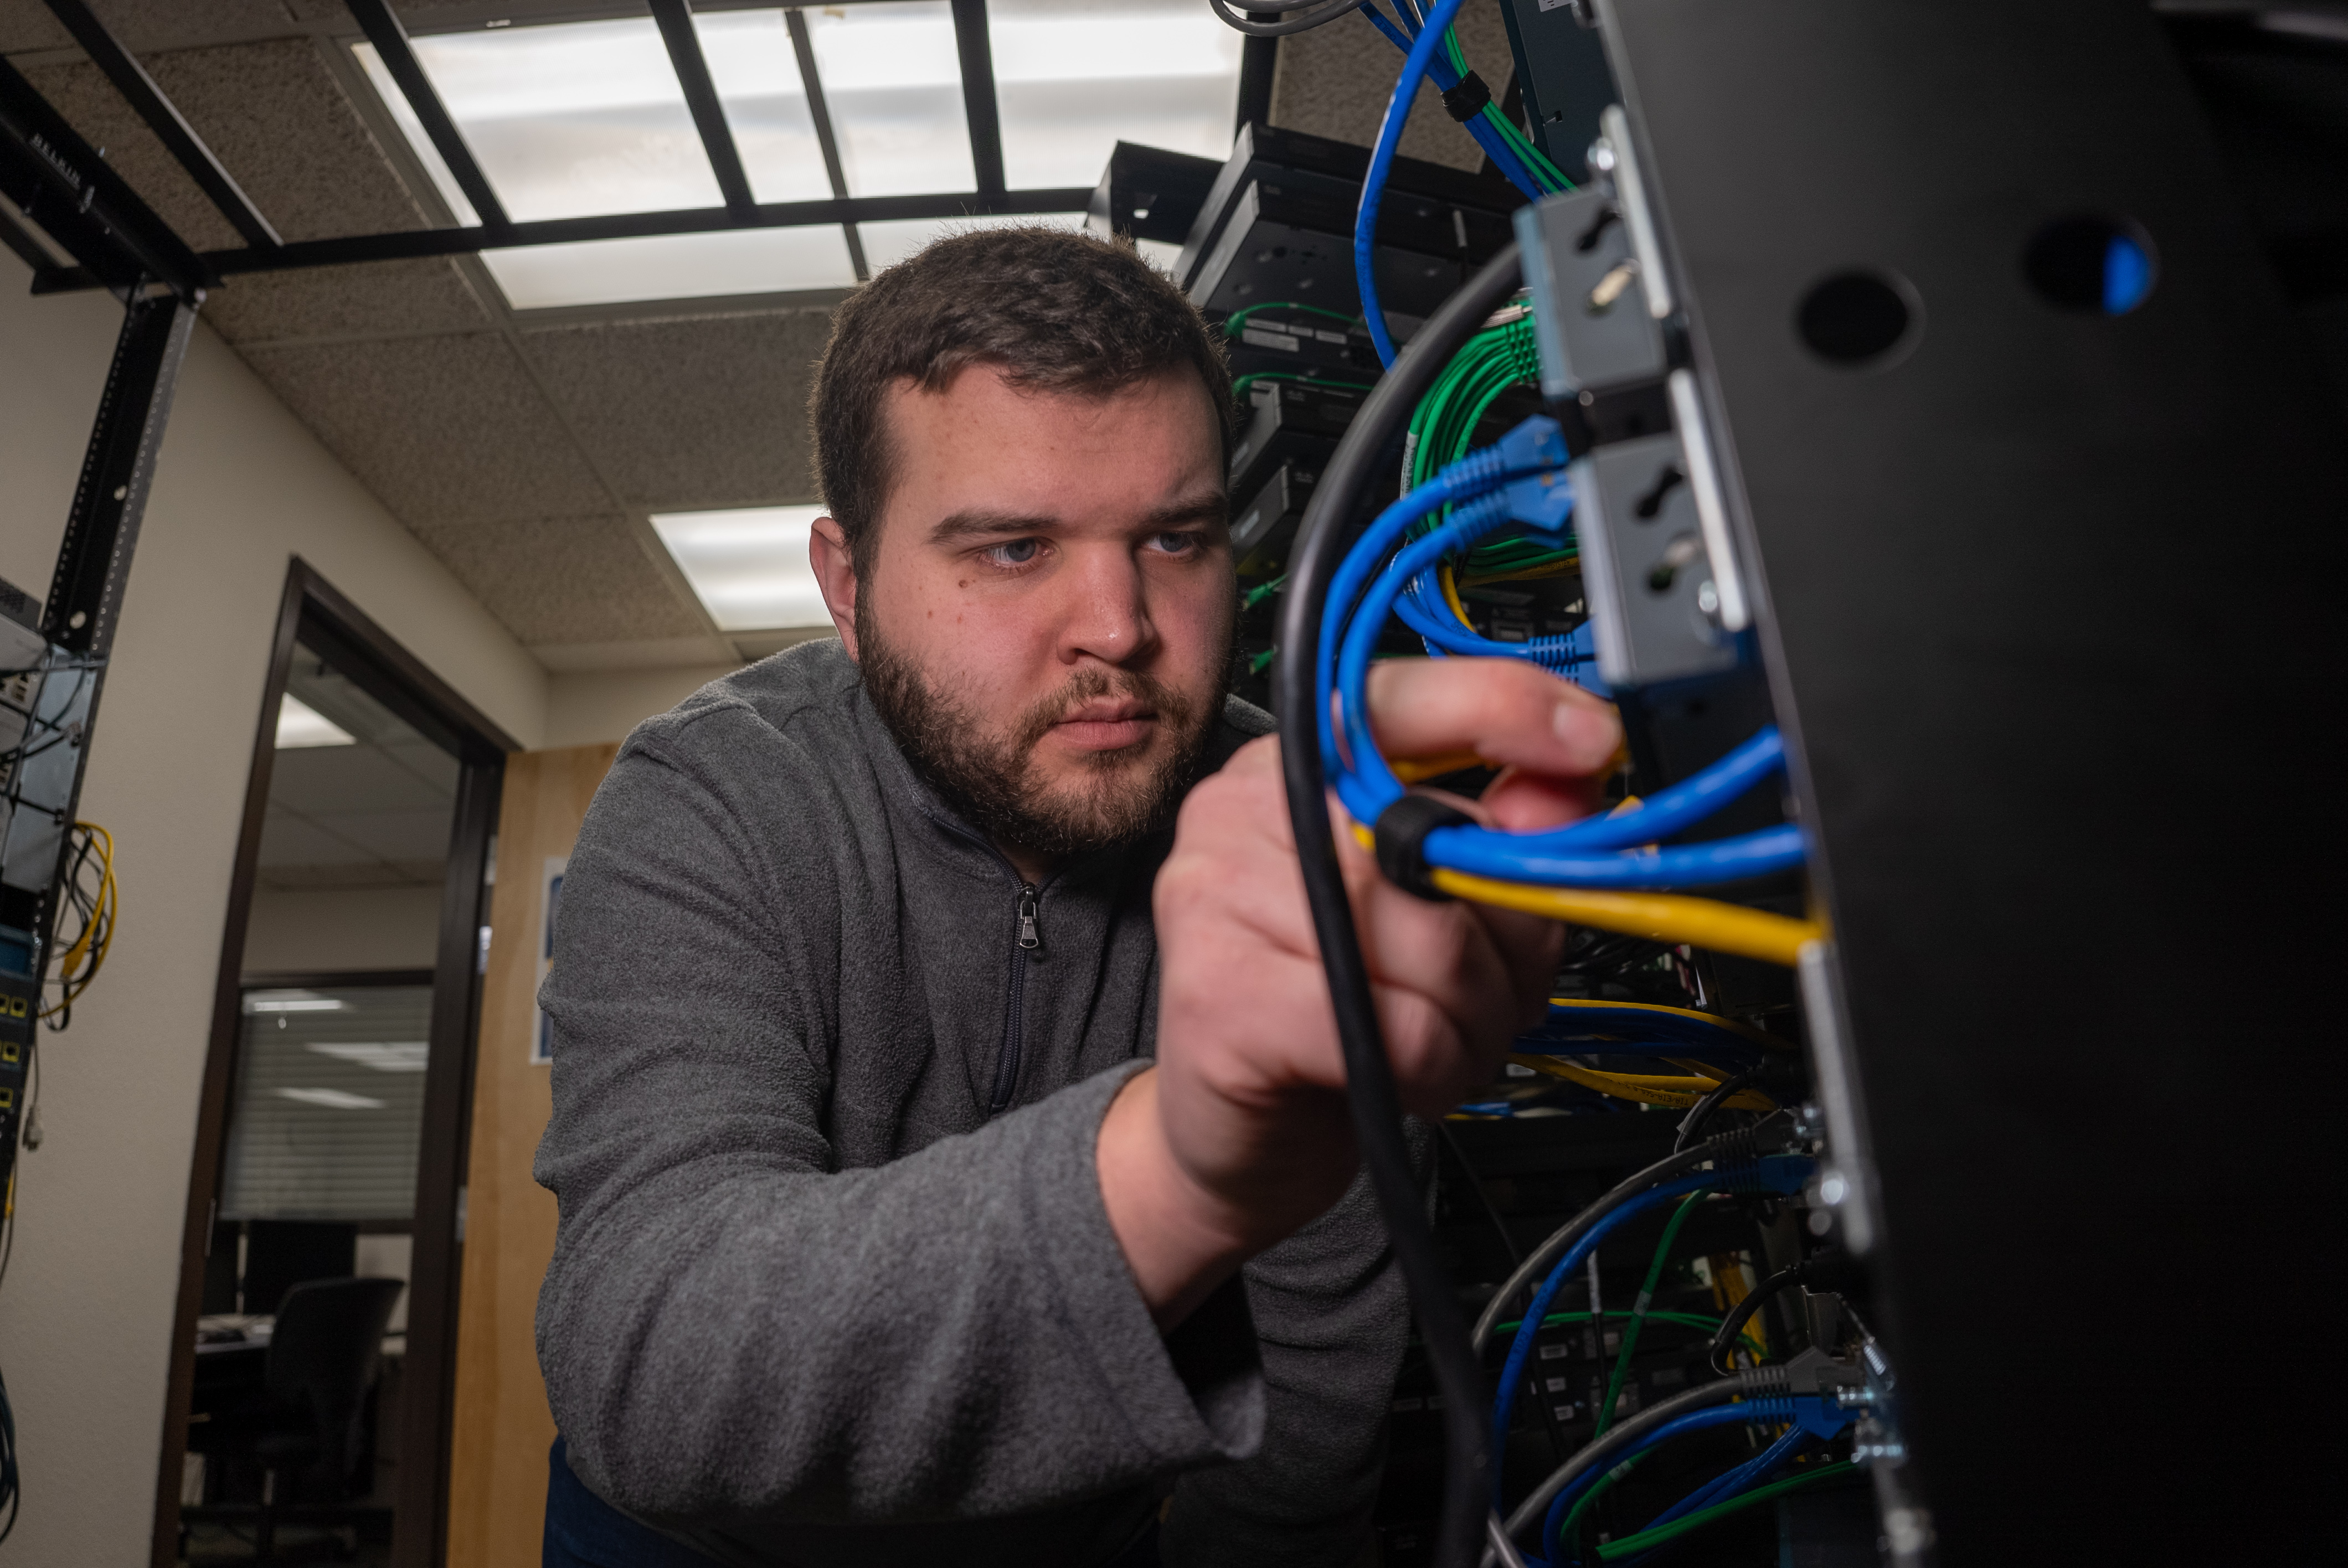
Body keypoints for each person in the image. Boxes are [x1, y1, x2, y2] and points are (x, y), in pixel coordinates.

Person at [534, 226, 1623, 1568]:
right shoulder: (711, 801)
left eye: (1174, 538)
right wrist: (1180, 1166)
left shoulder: (1278, 810)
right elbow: (652, 1362)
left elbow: (1318, 1363)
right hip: (706, 1543)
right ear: (847, 584)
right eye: (1010, 549)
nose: (1117, 624)